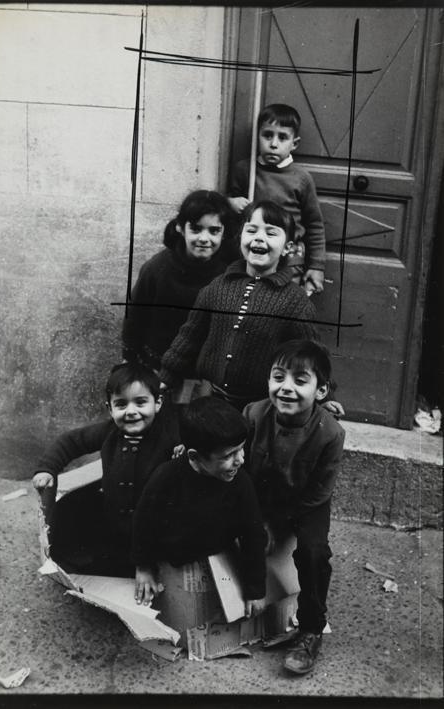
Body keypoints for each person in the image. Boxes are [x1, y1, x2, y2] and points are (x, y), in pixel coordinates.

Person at [243, 339, 345, 675]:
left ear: (321, 392)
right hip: (260, 494)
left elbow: (319, 492)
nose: (286, 388)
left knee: (313, 553)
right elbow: (240, 471)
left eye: (300, 381)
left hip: (306, 502)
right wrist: (258, 520)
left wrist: (279, 524)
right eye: (278, 377)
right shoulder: (254, 414)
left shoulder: (330, 433)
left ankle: (311, 628)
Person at [159, 200, 318, 411]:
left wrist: (326, 396)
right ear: (240, 237)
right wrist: (166, 376)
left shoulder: (295, 301)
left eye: (271, 233)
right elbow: (189, 337)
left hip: (259, 405)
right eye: (251, 230)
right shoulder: (217, 287)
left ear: (287, 248)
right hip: (209, 397)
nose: (259, 238)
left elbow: (311, 353)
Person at [32, 361, 180, 576]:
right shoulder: (109, 432)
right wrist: (46, 469)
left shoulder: (169, 436)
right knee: (78, 537)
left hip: (154, 529)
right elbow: (71, 441)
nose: (131, 411)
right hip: (115, 522)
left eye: (140, 402)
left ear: (157, 403)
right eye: (121, 404)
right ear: (110, 408)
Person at [131, 396, 267, 618]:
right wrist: (143, 567)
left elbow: (253, 536)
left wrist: (256, 591)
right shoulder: (165, 477)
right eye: (228, 455)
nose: (240, 460)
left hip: (217, 548)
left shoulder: (240, 482)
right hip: (172, 552)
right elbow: (142, 523)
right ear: (194, 456)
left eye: (241, 449)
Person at [122, 190, 237, 373]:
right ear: (180, 228)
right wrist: (130, 362)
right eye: (196, 229)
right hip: (159, 366)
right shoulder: (156, 269)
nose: (204, 239)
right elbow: (135, 319)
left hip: (205, 372)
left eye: (214, 231)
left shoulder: (231, 272)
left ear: (224, 232)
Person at [229, 103, 326, 296]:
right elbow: (227, 209)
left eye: (282, 137)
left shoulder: (301, 178)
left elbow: (314, 225)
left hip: (289, 261)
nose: (273, 144)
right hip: (253, 254)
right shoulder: (245, 170)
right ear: (258, 137)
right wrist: (230, 202)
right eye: (267, 135)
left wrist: (317, 266)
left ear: (294, 143)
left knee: (281, 307)